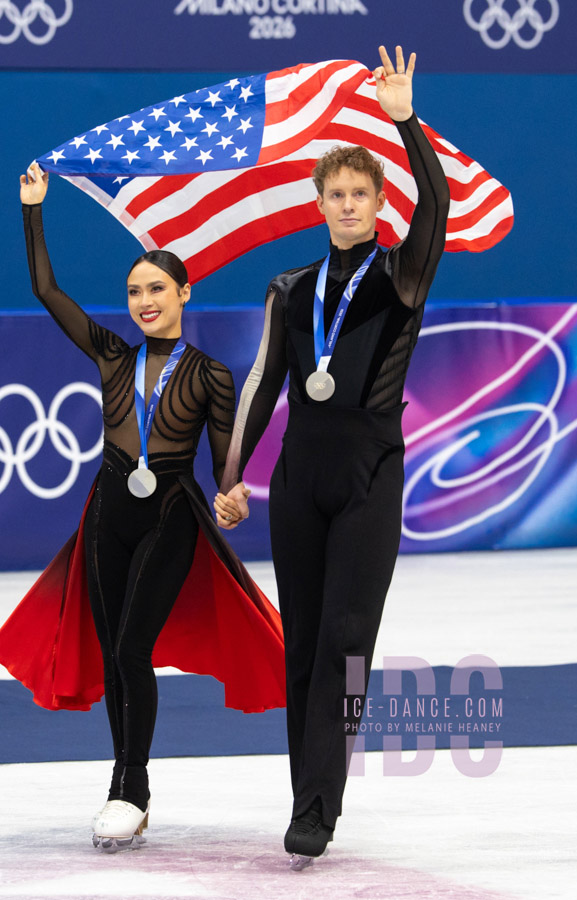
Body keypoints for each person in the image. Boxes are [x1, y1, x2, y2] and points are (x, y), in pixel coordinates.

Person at [0, 164, 286, 853]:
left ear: (184, 292)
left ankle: (132, 786)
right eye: (133, 291)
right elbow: (45, 289)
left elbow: (223, 464)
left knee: (130, 646)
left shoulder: (211, 374)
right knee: (116, 656)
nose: (143, 301)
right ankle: (122, 786)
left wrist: (232, 493)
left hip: (172, 514)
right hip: (106, 511)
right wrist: (33, 209)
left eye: (156, 288)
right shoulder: (110, 356)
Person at [214, 45, 450, 868]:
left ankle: (320, 804)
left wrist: (403, 119)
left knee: (349, 636)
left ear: (378, 202)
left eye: (360, 194)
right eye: (335, 194)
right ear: (318, 203)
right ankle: (302, 792)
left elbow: (440, 207)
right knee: (305, 643)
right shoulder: (288, 289)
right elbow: (261, 383)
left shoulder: (399, 277)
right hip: (300, 473)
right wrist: (232, 473)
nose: (347, 205)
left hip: (369, 472)